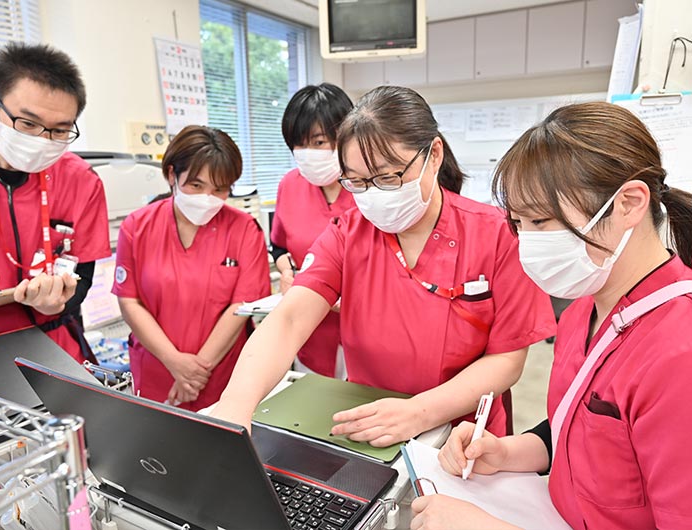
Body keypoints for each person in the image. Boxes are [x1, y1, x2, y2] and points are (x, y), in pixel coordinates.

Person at [212, 86, 555, 444]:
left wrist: (420, 412)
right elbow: (289, 320)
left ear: (433, 155)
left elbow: (507, 360)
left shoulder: (497, 234)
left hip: (463, 434)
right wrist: (236, 406)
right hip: (367, 424)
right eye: (357, 182)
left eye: (388, 177)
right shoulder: (348, 233)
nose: (374, 194)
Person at [420, 102, 692, 529]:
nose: (526, 243)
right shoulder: (584, 307)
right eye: (518, 223)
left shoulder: (679, 354)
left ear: (629, 203)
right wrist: (507, 452)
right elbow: (576, 427)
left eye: (541, 221)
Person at [0, 41, 110, 362]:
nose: (41, 142)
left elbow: (83, 274)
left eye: (60, 130)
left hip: (53, 343)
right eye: (28, 124)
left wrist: (60, 301)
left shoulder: (81, 180)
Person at [112, 125, 271, 412]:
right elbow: (129, 301)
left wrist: (195, 374)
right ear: (172, 175)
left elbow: (241, 307)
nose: (207, 198)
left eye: (220, 189)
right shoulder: (137, 227)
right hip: (157, 370)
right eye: (196, 186)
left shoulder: (244, 229)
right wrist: (174, 362)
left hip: (221, 375)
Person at [270, 83, 355, 378]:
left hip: (364, 332)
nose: (308, 153)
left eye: (318, 143)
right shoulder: (290, 185)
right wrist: (287, 272)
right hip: (311, 333)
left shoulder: (368, 187)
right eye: (299, 144)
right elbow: (279, 247)